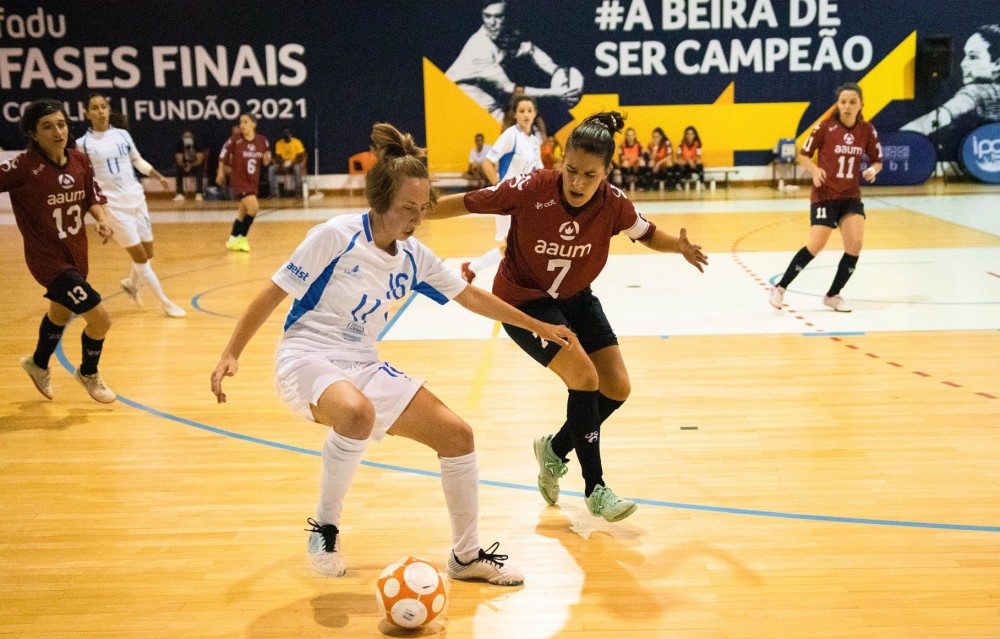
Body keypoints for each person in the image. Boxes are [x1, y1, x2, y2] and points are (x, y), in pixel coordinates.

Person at [210, 122, 575, 585]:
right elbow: (271, 294)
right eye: (408, 208)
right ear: (380, 200)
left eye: (423, 209)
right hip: (306, 356)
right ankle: (325, 528)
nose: (417, 218)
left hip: (361, 361)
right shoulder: (336, 235)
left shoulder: (414, 255)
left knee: (458, 436)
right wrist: (231, 352)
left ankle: (466, 556)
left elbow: (470, 296)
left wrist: (537, 323)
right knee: (357, 413)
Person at [429, 111, 709, 522]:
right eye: (571, 171)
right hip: (524, 301)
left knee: (616, 387)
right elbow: (469, 203)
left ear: (607, 172)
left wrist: (678, 247)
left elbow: (647, 233)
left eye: (589, 175)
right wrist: (412, 212)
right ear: (560, 160)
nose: (577, 183)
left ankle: (554, 449)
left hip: (575, 297)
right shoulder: (532, 188)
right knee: (584, 378)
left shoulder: (613, 203)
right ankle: (596, 488)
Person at [2, 98, 118, 404]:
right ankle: (88, 373)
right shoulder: (23, 166)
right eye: (47, 126)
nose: (57, 131)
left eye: (62, 124)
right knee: (101, 319)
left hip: (76, 255)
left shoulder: (79, 160)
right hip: (47, 261)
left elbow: (92, 196)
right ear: (33, 134)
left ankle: (37, 364)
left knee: (60, 312)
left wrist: (103, 220)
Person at [769, 82, 883, 313]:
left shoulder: (867, 130)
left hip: (850, 196)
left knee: (855, 246)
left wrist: (873, 170)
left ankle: (833, 295)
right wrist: (814, 170)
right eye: (843, 102)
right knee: (815, 245)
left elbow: (877, 160)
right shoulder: (824, 127)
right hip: (825, 196)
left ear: (861, 105)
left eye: (852, 102)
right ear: (837, 104)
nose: (847, 106)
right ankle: (780, 288)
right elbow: (803, 156)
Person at [79, 93, 186, 318]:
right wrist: (98, 216)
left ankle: (130, 283)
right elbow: (85, 180)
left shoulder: (123, 135)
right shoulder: (83, 145)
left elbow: (136, 160)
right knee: (139, 257)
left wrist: (157, 175)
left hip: (136, 199)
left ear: (108, 110)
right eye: (95, 108)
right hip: (113, 207)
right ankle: (166, 303)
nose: (100, 111)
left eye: (103, 107)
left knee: (148, 252)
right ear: (87, 114)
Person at [446, 0, 582, 121]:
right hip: (455, 96)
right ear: (482, 16)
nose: (492, 23)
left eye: (498, 16)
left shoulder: (506, 33)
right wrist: (557, 93)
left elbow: (532, 50)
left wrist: (556, 70)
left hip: (484, 92)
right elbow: (510, 89)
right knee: (514, 132)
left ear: (506, 17)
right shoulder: (480, 49)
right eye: (487, 16)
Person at [460, 95, 543, 284]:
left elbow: (539, 171)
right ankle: (476, 269)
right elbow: (488, 163)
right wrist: (500, 188)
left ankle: (472, 268)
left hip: (526, 200)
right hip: (508, 199)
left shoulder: (534, 141)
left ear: (535, 113)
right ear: (515, 114)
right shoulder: (510, 135)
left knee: (520, 245)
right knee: (513, 246)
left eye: (529, 111)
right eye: (521, 111)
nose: (526, 115)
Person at [901, 24, 1000, 150]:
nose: (963, 64)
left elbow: (936, 120)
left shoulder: (977, 93)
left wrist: (899, 141)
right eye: (965, 56)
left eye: (973, 57)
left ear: (997, 63)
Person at [216, 113, 270, 252]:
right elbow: (222, 156)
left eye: (246, 122)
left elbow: (266, 158)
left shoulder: (262, 141)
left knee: (242, 211)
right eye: (241, 122)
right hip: (239, 181)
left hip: (252, 181)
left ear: (254, 124)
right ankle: (242, 238)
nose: (242, 125)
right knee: (254, 207)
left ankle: (233, 238)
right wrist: (220, 172)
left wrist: (266, 159)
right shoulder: (235, 141)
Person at [267, 127, 306, 198]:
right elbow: (278, 156)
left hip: (294, 162)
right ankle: (273, 193)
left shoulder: (297, 142)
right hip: (283, 163)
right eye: (284, 134)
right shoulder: (279, 143)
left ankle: (298, 193)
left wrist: (292, 162)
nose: (286, 136)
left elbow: (301, 155)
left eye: (287, 134)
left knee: (297, 168)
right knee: (271, 169)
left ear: (291, 135)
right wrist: (283, 164)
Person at [173, 130, 205, 202]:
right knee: (178, 169)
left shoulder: (197, 143)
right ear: (182, 138)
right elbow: (179, 160)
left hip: (195, 165)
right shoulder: (179, 144)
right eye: (185, 137)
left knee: (199, 169)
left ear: (192, 138)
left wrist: (191, 165)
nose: (187, 139)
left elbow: (200, 160)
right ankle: (179, 193)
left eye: (189, 137)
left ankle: (199, 193)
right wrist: (185, 165)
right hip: (184, 165)